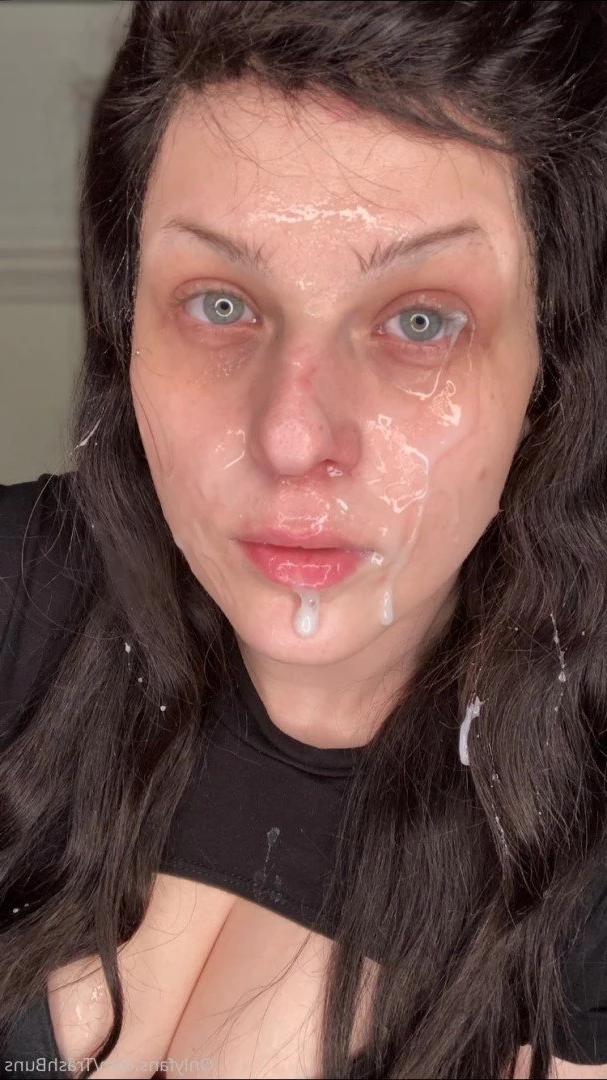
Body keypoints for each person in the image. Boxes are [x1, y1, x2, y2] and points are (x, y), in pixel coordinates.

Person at [1, 1, 607, 1077]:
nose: (291, 436)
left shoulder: (584, 838)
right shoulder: (17, 592)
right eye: (219, 304)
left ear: (547, 364)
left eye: (419, 320)